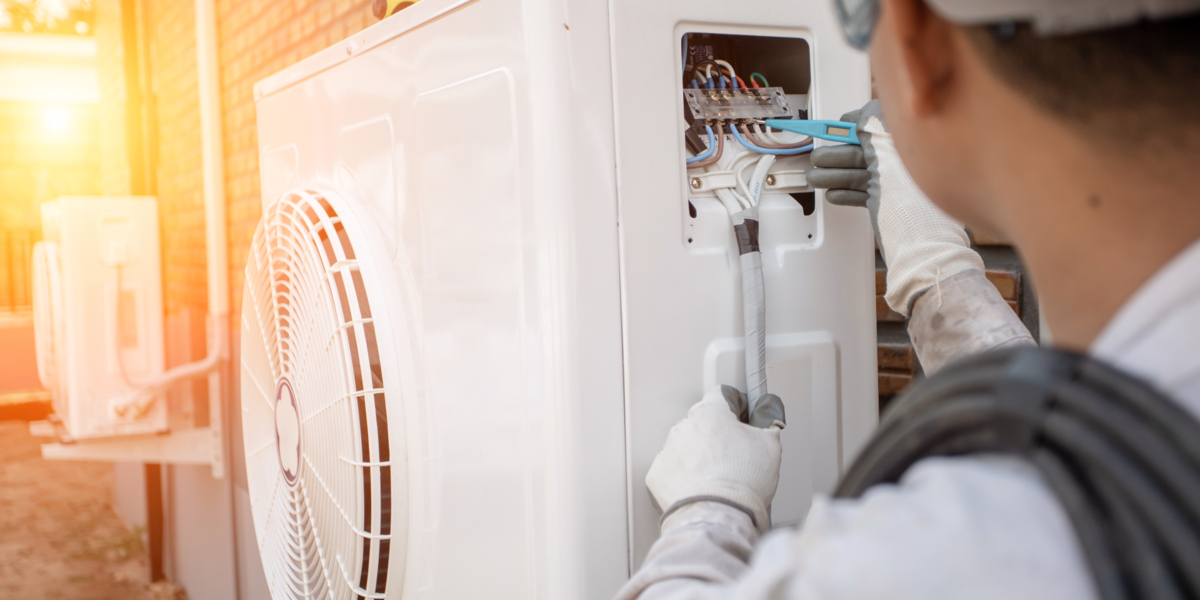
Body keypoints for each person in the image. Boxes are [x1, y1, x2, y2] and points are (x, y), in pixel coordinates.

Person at [616, 1, 1200, 598]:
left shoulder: (950, 554)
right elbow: (1096, 425)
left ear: (917, 43)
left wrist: (708, 509)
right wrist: (936, 273)